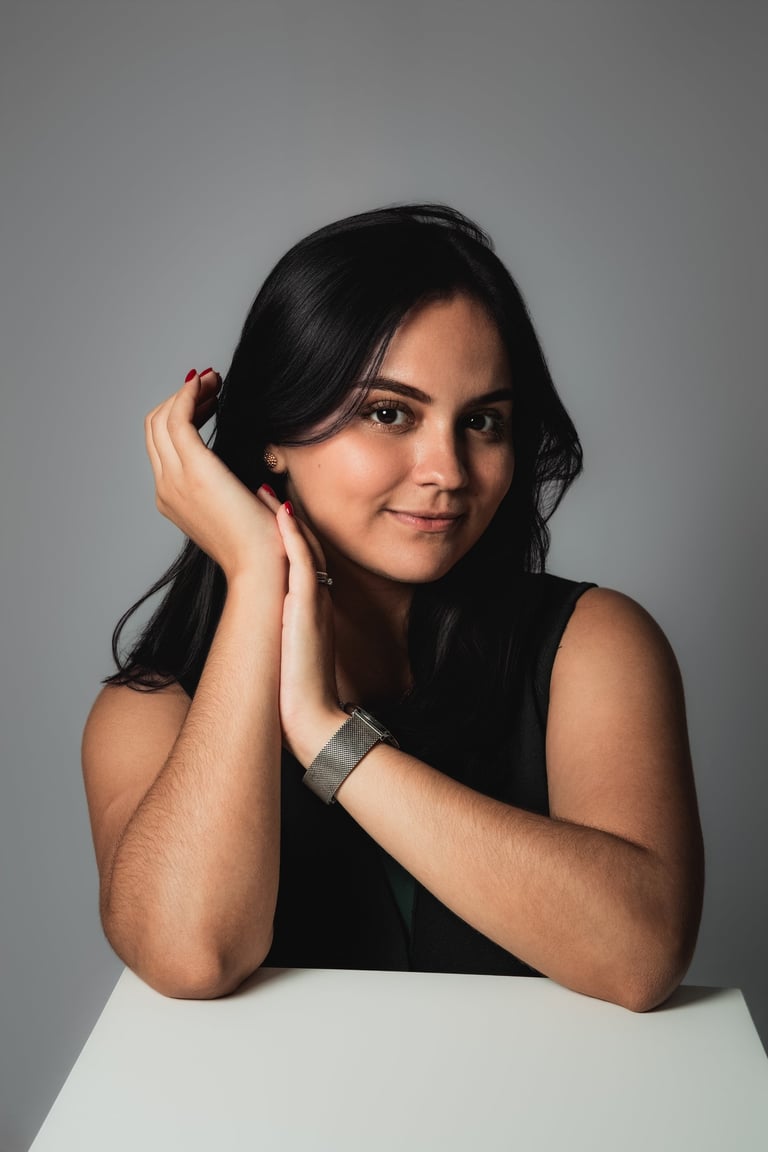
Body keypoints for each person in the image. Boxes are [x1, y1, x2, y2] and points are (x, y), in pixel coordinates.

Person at [81, 203, 704, 1009]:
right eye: (389, 412)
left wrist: (324, 733)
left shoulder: (592, 646)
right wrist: (258, 573)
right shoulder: (151, 712)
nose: (449, 470)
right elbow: (189, 955)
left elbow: (641, 956)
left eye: (482, 421)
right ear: (274, 434)